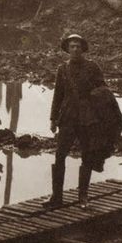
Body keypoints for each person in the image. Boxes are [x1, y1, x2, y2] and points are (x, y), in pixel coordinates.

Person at [46, 33, 107, 207]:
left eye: (78, 46)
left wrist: (96, 108)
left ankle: (83, 197)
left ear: (83, 49)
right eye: (72, 46)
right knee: (59, 156)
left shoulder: (92, 67)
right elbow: (58, 95)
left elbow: (104, 91)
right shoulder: (62, 69)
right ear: (67, 49)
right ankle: (56, 197)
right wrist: (53, 118)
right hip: (67, 118)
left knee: (87, 156)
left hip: (87, 119)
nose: (75, 49)